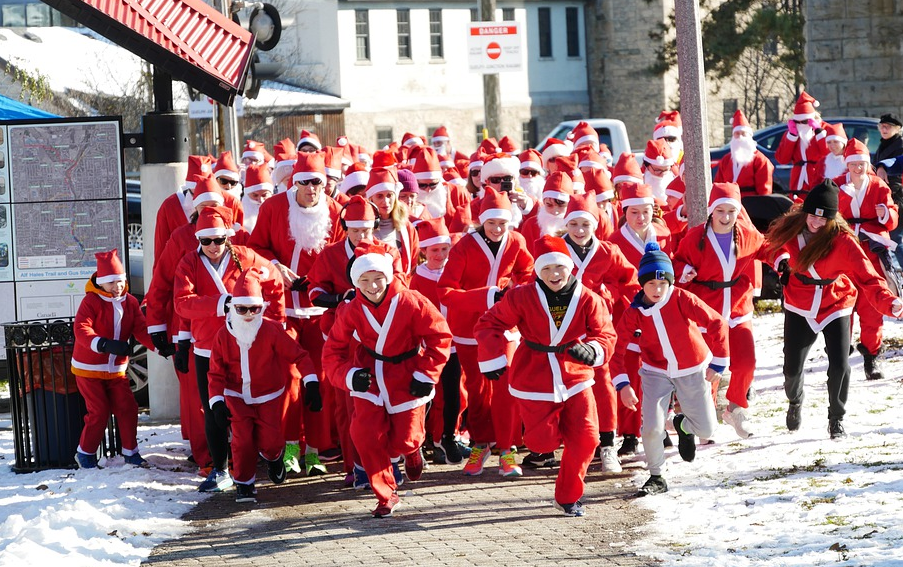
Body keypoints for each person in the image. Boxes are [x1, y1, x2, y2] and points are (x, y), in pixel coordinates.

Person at [474, 235, 617, 516]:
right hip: (534, 377)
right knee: (542, 442)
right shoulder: (520, 296)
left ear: (570, 267)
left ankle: (567, 497)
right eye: (547, 268)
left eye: (560, 267)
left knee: (587, 438)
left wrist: (593, 350)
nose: (554, 274)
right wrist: (492, 357)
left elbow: (606, 333)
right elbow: (488, 323)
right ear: (538, 270)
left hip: (575, 375)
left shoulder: (588, 298)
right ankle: (551, 440)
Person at [322, 240, 452, 517]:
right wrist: (348, 376)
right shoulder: (350, 309)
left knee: (404, 440)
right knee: (364, 434)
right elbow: (332, 351)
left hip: (407, 373)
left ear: (389, 275)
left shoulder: (412, 301)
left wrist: (427, 373)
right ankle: (386, 494)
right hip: (368, 373)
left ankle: (413, 450)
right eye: (365, 280)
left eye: (378, 278)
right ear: (356, 281)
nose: (372, 286)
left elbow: (439, 337)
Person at [766, 180, 903, 439]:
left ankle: (836, 418)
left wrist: (889, 302)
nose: (816, 223)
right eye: (812, 216)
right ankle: (795, 400)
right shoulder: (791, 227)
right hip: (800, 301)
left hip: (835, 301)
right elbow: (767, 246)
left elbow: (868, 278)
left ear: (833, 219)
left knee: (840, 365)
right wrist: (781, 259)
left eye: (824, 219)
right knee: (792, 369)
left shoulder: (843, 241)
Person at [174, 206, 285, 491]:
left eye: (218, 239)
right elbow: (182, 304)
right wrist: (220, 304)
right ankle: (220, 468)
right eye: (205, 240)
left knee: (257, 406)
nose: (212, 246)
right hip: (207, 350)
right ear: (197, 239)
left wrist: (273, 323)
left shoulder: (246, 257)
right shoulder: (188, 263)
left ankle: (270, 455)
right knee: (213, 411)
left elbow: (273, 280)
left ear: (228, 237)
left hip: (246, 348)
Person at [248, 151, 343, 477]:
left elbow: (343, 255)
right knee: (289, 380)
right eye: (304, 182)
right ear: (293, 182)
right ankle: (290, 448)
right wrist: (276, 268)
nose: (311, 189)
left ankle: (315, 451)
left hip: (319, 312)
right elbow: (255, 247)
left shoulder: (334, 211)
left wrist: (323, 281)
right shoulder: (273, 207)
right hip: (283, 309)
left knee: (320, 381)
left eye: (317, 182)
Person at [612, 243, 729, 496]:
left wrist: (718, 361)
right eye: (651, 284)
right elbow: (616, 350)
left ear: (670, 283)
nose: (657, 290)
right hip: (655, 372)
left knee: (707, 429)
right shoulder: (634, 312)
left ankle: (684, 426)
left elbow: (717, 322)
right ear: (642, 284)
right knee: (651, 426)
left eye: (662, 284)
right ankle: (656, 476)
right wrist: (623, 384)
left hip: (692, 367)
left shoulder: (681, 298)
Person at [437, 187, 534, 477]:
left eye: (502, 223)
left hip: (505, 327)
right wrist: (487, 296)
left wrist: (517, 295)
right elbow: (445, 292)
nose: (497, 229)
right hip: (468, 329)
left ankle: (506, 449)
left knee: (505, 388)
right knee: (478, 391)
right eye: (491, 223)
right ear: (482, 222)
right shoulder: (464, 246)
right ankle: (481, 444)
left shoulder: (516, 241)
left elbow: (528, 273)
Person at [207, 266, 316, 502]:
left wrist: (312, 381)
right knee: (242, 440)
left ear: (261, 307)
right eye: (241, 308)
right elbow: (215, 373)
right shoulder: (223, 335)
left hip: (268, 396)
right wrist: (216, 402)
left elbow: (300, 356)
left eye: (254, 308)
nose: (248, 314)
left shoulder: (271, 330)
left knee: (272, 440)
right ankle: (244, 483)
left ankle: (274, 457)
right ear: (233, 307)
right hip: (236, 396)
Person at [674, 183, 768, 439]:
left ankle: (736, 408)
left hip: (738, 307)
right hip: (708, 310)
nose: (726, 218)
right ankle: (703, 419)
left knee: (746, 362)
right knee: (709, 367)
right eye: (720, 211)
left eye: (731, 212)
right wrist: (684, 271)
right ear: (711, 211)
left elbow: (767, 249)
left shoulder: (746, 234)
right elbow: (677, 261)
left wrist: (782, 261)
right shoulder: (695, 237)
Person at [560, 192, 639, 472]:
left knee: (604, 382)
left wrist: (612, 294)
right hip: (562, 328)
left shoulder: (608, 251)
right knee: (565, 384)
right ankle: (571, 443)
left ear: (596, 225)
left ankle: (608, 444)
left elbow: (629, 281)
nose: (580, 231)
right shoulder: (555, 249)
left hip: (599, 328)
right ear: (565, 226)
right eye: (574, 225)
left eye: (586, 225)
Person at [71, 249, 170, 469]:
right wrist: (103, 344)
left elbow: (141, 329)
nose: (116, 287)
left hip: (116, 370)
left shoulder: (130, 302)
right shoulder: (91, 301)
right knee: (99, 411)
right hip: (88, 369)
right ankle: (85, 453)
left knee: (128, 407)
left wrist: (160, 348)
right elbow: (81, 329)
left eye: (120, 281)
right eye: (111, 283)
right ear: (101, 282)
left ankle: (131, 452)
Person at [833, 139, 899, 380]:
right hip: (845, 250)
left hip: (872, 250)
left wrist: (886, 215)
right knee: (842, 303)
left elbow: (893, 217)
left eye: (862, 164)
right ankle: (840, 353)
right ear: (847, 165)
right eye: (854, 164)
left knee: (872, 306)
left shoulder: (879, 185)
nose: (859, 168)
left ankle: (872, 356)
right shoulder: (836, 185)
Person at [408, 218, 468, 465]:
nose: (441, 255)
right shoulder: (418, 277)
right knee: (432, 395)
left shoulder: (456, 272)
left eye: (445, 249)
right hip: (430, 346)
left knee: (457, 392)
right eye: (434, 250)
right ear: (423, 251)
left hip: (455, 343)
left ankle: (449, 436)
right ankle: (430, 440)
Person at [775, 91, 828, 201]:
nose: (800, 125)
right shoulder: (791, 133)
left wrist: (819, 133)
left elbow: (828, 153)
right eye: (796, 122)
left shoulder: (825, 130)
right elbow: (782, 159)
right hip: (798, 179)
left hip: (818, 176)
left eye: (804, 121)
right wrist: (792, 137)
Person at [367, 167, 419, 276]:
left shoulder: (406, 227)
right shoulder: (364, 226)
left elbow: (413, 262)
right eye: (379, 196)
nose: (385, 201)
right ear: (371, 199)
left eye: (389, 195)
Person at [713, 110, 774, 196]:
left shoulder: (760, 160)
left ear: (749, 136)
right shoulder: (726, 160)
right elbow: (718, 184)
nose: (740, 137)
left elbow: (764, 191)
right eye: (737, 134)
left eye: (743, 134)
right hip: (729, 203)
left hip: (751, 202)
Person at [874, 113, 903, 268]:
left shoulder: (900, 145)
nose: (884, 129)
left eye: (888, 127)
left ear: (897, 129)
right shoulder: (883, 144)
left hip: (896, 196)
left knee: (896, 238)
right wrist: (882, 165)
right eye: (882, 126)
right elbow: (894, 163)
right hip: (885, 195)